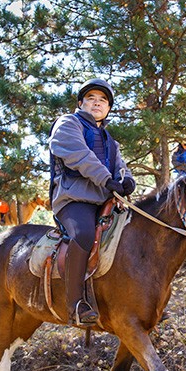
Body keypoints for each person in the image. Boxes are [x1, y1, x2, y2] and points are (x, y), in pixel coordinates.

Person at [49, 78, 136, 327]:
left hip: (104, 200)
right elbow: (79, 155)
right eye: (91, 99)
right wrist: (107, 180)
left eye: (103, 101)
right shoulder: (68, 124)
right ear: (81, 103)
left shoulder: (110, 140)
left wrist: (127, 181)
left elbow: (121, 167)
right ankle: (75, 303)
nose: (97, 103)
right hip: (74, 199)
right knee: (85, 234)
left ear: (108, 108)